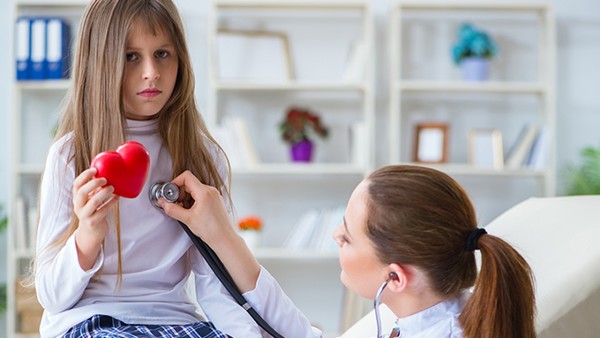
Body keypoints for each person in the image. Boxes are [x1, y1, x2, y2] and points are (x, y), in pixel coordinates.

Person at [32, 0, 268, 337]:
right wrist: (87, 236)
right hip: (93, 319)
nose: (151, 73)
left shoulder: (203, 158)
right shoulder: (70, 155)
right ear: (101, 63)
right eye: (131, 57)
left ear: (180, 59)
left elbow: (216, 285)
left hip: (175, 320)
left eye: (162, 54)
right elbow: (52, 297)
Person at [160, 165, 537, 338]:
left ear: (395, 277)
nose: (335, 234)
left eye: (348, 236)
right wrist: (221, 234)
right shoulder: (407, 314)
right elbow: (296, 331)